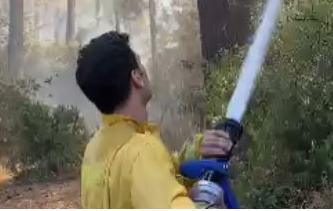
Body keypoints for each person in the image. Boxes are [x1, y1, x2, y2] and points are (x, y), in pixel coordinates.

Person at [76, 31, 233, 208]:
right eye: (141, 63)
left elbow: (149, 180)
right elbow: (146, 171)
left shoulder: (93, 149)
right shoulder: (143, 153)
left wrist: (195, 152)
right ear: (137, 78)